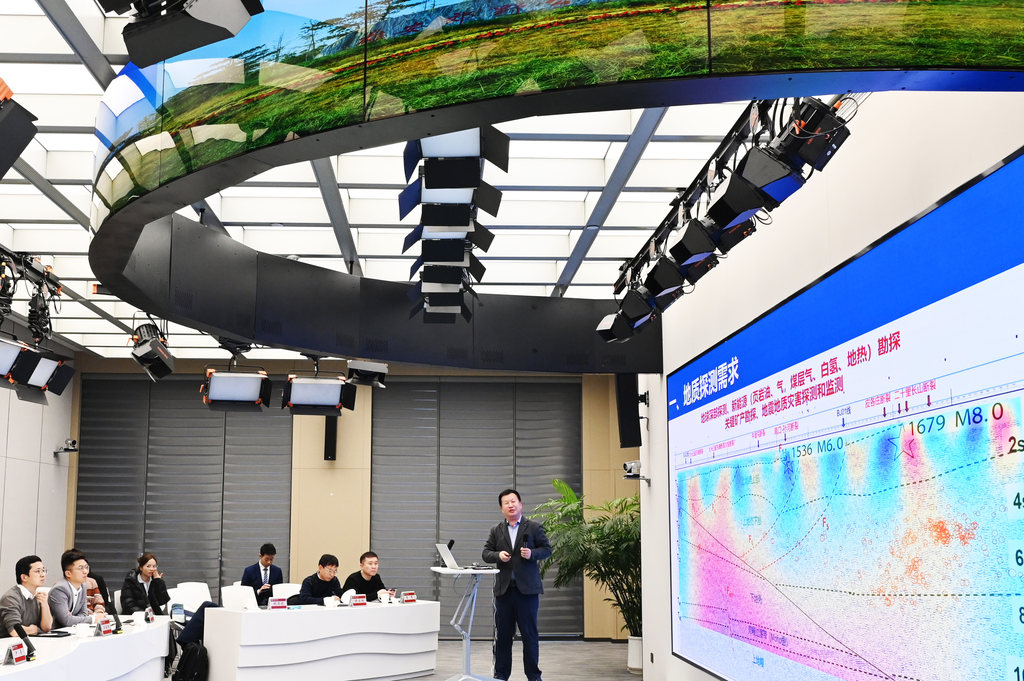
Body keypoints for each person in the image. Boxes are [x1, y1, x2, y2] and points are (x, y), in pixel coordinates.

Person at [482, 488, 551, 681]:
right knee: (503, 637)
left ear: (520, 504)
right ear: (501, 508)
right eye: (506, 503)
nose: (510, 505)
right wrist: (498, 555)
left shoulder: (534, 527)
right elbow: (486, 553)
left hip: (527, 592)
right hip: (504, 592)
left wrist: (532, 554)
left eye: (513, 501)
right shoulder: (496, 530)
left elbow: (547, 549)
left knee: (529, 636)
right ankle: (501, 675)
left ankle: (534, 676)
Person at [48, 549, 105, 628]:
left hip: (72, 629)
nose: (85, 571)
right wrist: (93, 619)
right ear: (68, 573)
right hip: (56, 631)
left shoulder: (83, 586)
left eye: (86, 567)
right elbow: (66, 620)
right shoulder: (59, 589)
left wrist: (73, 618)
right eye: (80, 568)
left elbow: (84, 613)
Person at [0, 555, 52, 637]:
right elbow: (15, 631)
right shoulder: (11, 598)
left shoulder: (38, 596)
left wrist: (45, 604)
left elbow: (47, 628)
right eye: (38, 571)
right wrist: (35, 630)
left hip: (30, 640)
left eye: (43, 570)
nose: (43, 575)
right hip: (9, 643)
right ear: (24, 577)